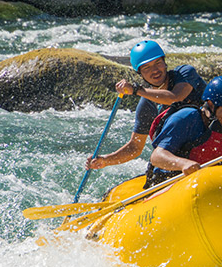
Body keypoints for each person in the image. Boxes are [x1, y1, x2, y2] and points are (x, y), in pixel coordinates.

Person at [85, 40, 206, 170]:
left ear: (165, 63)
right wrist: (105, 160)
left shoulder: (184, 73)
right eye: (146, 68)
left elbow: (174, 98)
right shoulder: (147, 104)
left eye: (158, 63)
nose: (155, 71)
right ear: (140, 73)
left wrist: (136, 90)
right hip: (184, 159)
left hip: (210, 139)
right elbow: (135, 147)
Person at [144, 75, 222, 188]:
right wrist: (183, 164)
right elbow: (156, 157)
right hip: (169, 184)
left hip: (206, 186)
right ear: (211, 104)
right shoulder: (187, 117)